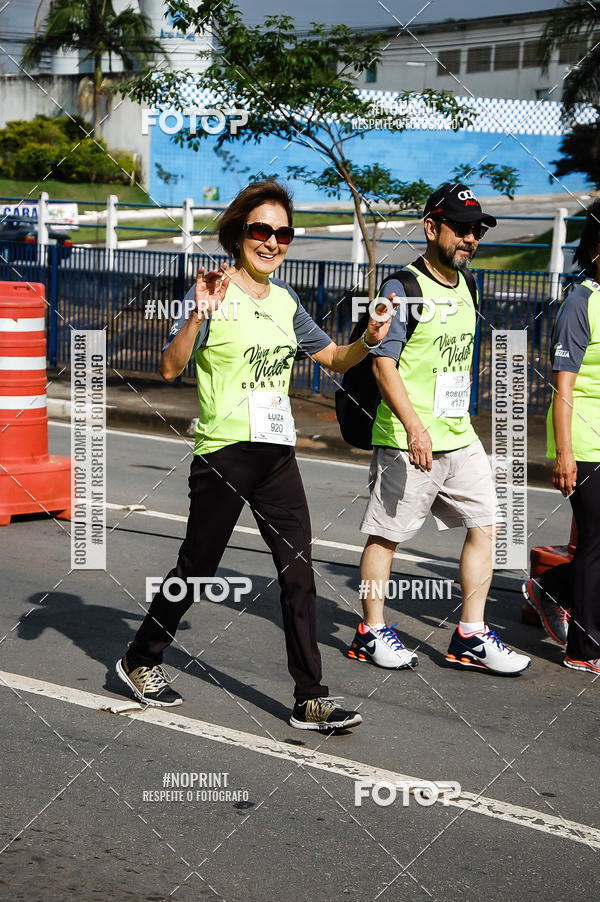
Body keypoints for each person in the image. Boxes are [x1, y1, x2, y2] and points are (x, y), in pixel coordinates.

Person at [116, 179, 396, 730]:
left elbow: (334, 358)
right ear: (239, 233)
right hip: (224, 453)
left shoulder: (287, 301)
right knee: (198, 568)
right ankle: (141, 657)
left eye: (283, 234)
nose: (272, 242)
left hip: (277, 455)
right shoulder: (213, 291)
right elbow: (169, 367)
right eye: (261, 230)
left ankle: (310, 696)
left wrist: (369, 338)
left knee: (298, 571)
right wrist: (198, 313)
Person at [346, 183, 531, 676]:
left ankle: (471, 635)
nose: (470, 238)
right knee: (386, 537)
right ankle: (370, 630)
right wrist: (415, 428)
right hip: (408, 439)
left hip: (459, 435)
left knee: (486, 525)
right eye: (461, 228)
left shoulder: (468, 285)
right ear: (431, 228)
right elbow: (383, 365)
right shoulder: (401, 288)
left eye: (477, 230)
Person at [525, 199, 600, 673]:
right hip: (585, 439)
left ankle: (551, 588)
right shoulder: (580, 302)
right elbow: (564, 386)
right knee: (596, 538)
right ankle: (584, 649)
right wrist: (565, 454)